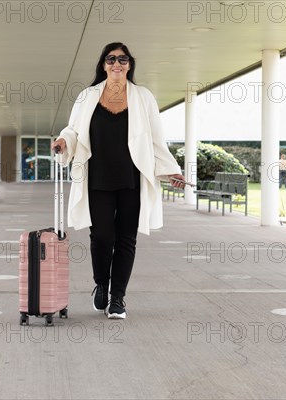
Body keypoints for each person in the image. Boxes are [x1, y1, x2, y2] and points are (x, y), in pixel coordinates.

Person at [51, 42, 186, 319]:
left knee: (126, 239)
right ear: (103, 65)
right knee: (101, 237)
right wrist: (64, 141)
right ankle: (101, 283)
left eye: (122, 59)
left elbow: (155, 139)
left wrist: (170, 169)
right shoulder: (87, 96)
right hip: (97, 178)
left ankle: (118, 299)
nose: (117, 64)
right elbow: (74, 130)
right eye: (111, 59)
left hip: (131, 179)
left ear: (130, 64)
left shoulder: (143, 97)